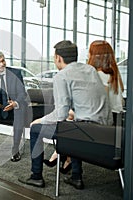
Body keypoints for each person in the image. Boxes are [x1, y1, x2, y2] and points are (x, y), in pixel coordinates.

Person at [18, 40, 112, 189]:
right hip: (106, 130)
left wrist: (39, 120)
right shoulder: (90, 70)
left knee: (36, 129)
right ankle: (76, 176)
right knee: (71, 126)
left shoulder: (62, 76)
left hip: (86, 132)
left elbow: (60, 114)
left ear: (58, 58)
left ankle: (36, 176)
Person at [88, 40, 125, 124]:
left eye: (90, 52)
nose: (88, 55)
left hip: (106, 120)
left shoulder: (99, 75)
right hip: (117, 118)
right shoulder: (113, 75)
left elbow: (101, 104)